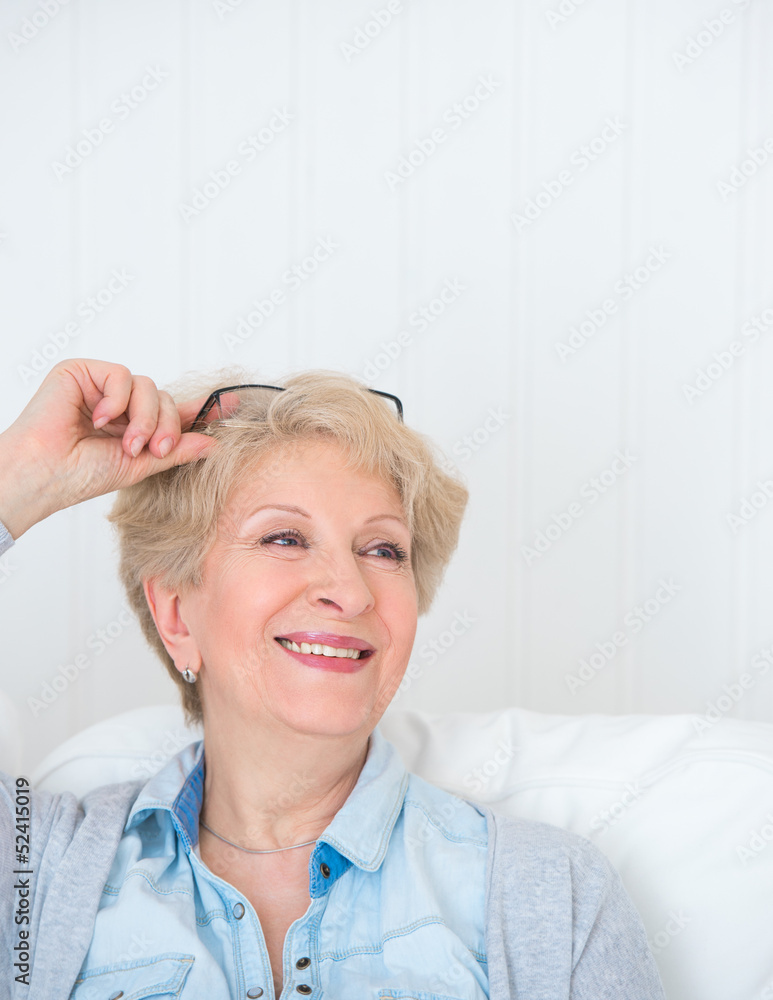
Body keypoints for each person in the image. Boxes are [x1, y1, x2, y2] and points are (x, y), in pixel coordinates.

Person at [0, 358, 666, 1000]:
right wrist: (18, 475)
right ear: (176, 613)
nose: (349, 591)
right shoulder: (38, 871)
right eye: (284, 538)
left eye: (382, 550)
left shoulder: (550, 894)